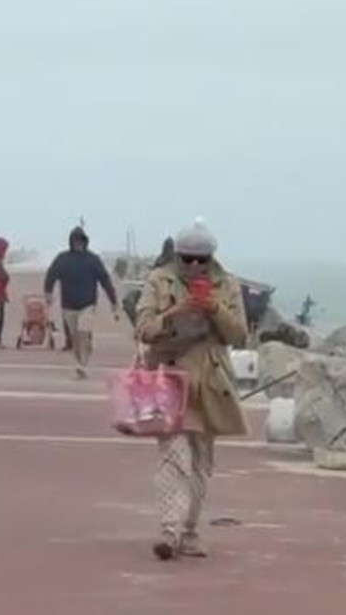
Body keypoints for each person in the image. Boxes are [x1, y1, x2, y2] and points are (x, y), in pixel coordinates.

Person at [134, 220, 248, 561]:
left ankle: (190, 531)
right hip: (170, 378)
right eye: (188, 259)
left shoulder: (227, 285)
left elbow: (239, 336)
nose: (195, 266)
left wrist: (215, 308)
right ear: (177, 256)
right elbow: (144, 328)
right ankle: (169, 532)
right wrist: (175, 313)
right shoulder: (159, 281)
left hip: (210, 384)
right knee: (173, 457)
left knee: (200, 464)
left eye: (203, 259)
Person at [44, 226, 118, 378]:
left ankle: (82, 365)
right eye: (75, 240)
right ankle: (80, 360)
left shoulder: (93, 260)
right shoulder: (62, 259)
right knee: (74, 338)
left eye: (81, 240)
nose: (78, 243)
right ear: (71, 241)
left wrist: (113, 301)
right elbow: (51, 275)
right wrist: (48, 293)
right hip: (68, 306)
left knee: (83, 333)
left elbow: (105, 280)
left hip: (88, 305)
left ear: (85, 242)